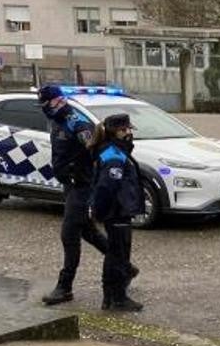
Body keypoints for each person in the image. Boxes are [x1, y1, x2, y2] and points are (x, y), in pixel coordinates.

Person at [39, 85, 110, 306]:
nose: (43, 108)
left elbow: (96, 150)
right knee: (88, 232)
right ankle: (124, 265)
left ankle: (65, 287)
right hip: (70, 185)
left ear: (58, 101)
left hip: (82, 186)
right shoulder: (59, 120)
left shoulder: (75, 122)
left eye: (46, 104)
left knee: (69, 234)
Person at [89, 113, 144, 312]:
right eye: (127, 129)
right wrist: (101, 211)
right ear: (119, 131)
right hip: (117, 211)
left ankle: (110, 297)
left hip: (116, 211)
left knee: (114, 253)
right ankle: (117, 298)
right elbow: (107, 186)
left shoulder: (113, 151)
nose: (130, 133)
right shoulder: (114, 155)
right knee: (119, 255)